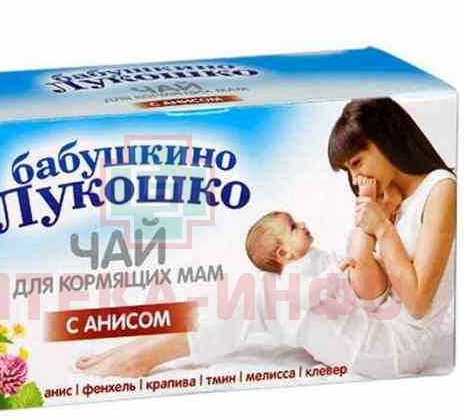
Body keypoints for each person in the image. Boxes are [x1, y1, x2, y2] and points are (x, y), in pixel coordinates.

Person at [75, 97, 456, 378]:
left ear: (388, 139)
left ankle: (147, 354)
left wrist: (382, 227)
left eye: (356, 163)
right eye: (348, 171)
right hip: (370, 316)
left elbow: (418, 303)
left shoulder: (441, 189)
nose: (356, 180)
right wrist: (374, 223)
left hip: (398, 346)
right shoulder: (390, 197)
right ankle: (155, 343)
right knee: (264, 285)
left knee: (261, 296)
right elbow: (368, 284)